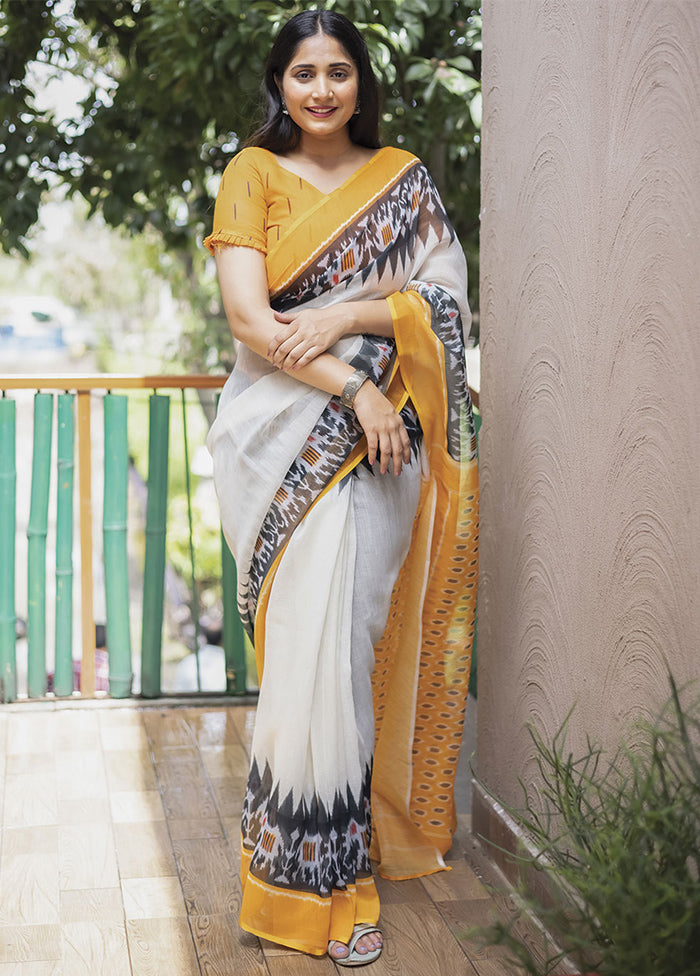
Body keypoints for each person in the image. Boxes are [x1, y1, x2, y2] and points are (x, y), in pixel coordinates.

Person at [203, 8, 478, 967]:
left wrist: (357, 317)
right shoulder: (252, 173)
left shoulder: (402, 180)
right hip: (282, 441)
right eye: (302, 74)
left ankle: (346, 868)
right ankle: (297, 888)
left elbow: (445, 303)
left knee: (347, 652)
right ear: (279, 84)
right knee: (305, 661)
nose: (321, 90)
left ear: (362, 81)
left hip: (384, 447)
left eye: (339, 72)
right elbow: (247, 318)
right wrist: (355, 383)